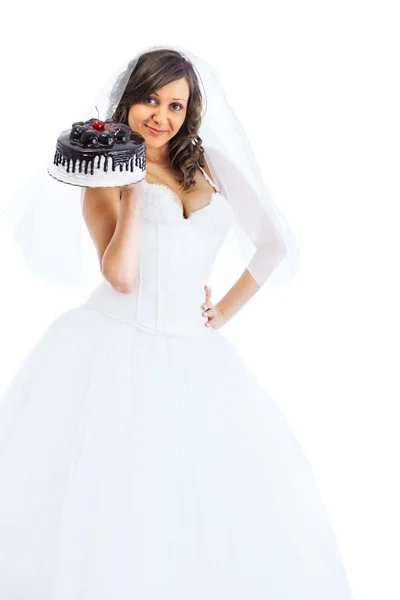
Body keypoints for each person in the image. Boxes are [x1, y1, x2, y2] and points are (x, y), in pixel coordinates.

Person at [0, 45, 354, 599]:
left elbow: (272, 243)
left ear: (190, 113)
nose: (160, 116)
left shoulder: (210, 161)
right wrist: (135, 191)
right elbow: (120, 276)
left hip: (197, 357)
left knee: (211, 504)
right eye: (149, 100)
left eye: (175, 105)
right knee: (119, 502)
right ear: (129, 101)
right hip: (116, 346)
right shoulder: (104, 177)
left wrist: (222, 311)